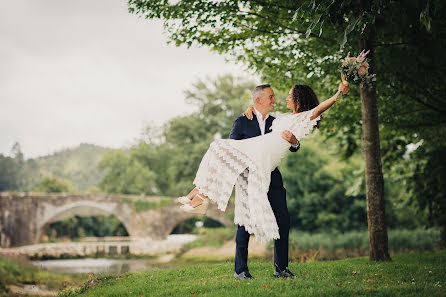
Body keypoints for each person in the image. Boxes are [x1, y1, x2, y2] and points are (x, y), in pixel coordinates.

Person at [178, 81, 349, 273]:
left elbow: (316, 112)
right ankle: (239, 268)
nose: (279, 99)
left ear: (299, 99)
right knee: (218, 151)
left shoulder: (290, 119)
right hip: (250, 165)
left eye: (287, 96)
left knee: (283, 220)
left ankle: (281, 268)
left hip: (269, 169)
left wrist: (338, 94)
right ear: (259, 100)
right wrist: (250, 108)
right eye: (271, 97)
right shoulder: (246, 120)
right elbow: (233, 150)